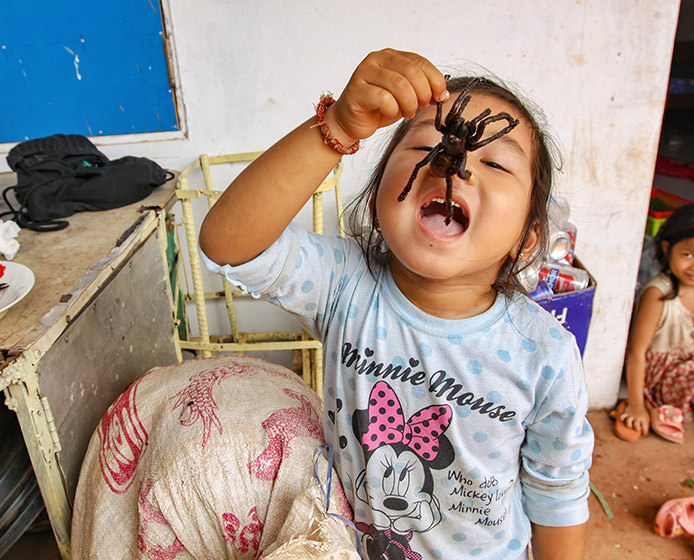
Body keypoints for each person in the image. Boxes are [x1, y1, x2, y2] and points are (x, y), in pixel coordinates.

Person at [199, 49, 593, 560]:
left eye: (495, 161)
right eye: (429, 145)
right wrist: (338, 124)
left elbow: (556, 490)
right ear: (382, 194)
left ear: (527, 237)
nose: (458, 166)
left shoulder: (546, 354)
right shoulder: (347, 284)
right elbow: (229, 243)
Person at [620, 201, 694, 441]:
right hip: (669, 371)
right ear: (667, 248)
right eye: (688, 254)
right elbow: (636, 352)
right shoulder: (658, 294)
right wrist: (636, 404)